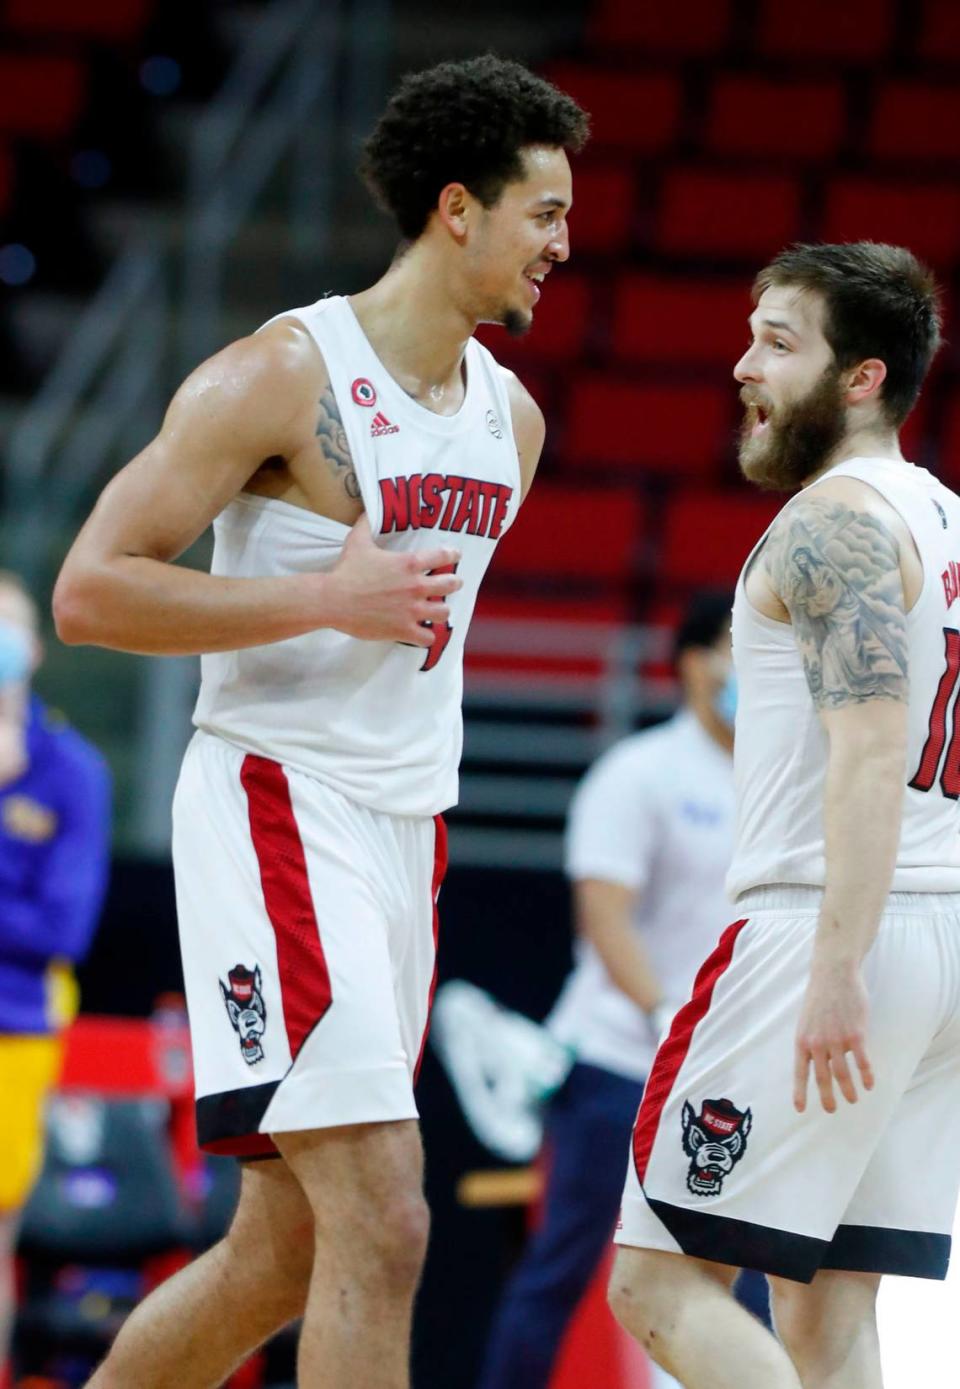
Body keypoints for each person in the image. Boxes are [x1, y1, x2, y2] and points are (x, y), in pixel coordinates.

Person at [53, 55, 588, 1389]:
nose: (564, 246)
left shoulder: (512, 424)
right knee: (389, 1214)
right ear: (457, 209)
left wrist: (356, 615)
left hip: (407, 831)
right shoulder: (281, 374)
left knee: (285, 1254)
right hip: (275, 802)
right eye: (544, 212)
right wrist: (320, 597)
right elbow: (87, 590)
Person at [608, 240, 960, 1389]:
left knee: (655, 1286)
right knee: (824, 1312)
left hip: (833, 924)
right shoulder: (947, 521)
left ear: (859, 378)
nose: (741, 367)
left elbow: (867, 756)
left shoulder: (834, 523)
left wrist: (836, 966)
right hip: (943, 938)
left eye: (777, 342)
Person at [476, 592, 769, 1389]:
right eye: (739, 647)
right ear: (695, 663)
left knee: (755, 1273)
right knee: (564, 1266)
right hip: (620, 1060)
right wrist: (667, 1017)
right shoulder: (639, 773)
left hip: (729, 1073)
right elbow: (605, 917)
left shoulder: (782, 785)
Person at [0, 572, 111, 1385]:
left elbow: (62, 928)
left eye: (9, 630)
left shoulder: (71, 770)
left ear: (34, 649)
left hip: (16, 1023)